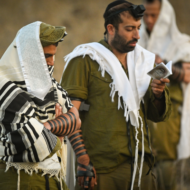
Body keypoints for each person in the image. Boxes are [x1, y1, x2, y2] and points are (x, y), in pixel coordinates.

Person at [61, 1, 172, 190]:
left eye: (138, 28)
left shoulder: (144, 62)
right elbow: (70, 115)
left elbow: (157, 116)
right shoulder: (86, 59)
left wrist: (158, 94)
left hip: (142, 168)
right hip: (101, 170)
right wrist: (83, 159)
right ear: (111, 28)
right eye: (129, 29)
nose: (137, 35)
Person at [0, 21, 81, 190]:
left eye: (53, 55)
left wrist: (46, 127)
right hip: (20, 181)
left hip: (53, 179)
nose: (51, 62)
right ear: (27, 55)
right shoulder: (5, 89)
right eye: (45, 56)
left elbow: (75, 119)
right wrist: (58, 135)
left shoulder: (52, 88)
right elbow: (34, 147)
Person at [139, 0, 190, 189]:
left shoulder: (181, 44)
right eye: (146, 16)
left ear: (165, 17)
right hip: (143, 109)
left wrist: (166, 63)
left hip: (170, 113)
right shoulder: (137, 40)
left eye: (154, 15)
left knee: (166, 158)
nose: (150, 20)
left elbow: (188, 74)